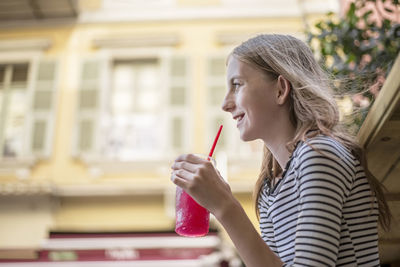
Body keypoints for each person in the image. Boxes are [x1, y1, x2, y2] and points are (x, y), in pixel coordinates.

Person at [170, 34, 391, 266]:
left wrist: (224, 206)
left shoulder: (319, 156)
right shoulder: (271, 186)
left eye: (237, 85)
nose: (225, 103)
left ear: (280, 89)